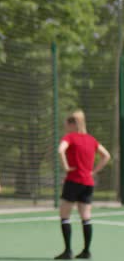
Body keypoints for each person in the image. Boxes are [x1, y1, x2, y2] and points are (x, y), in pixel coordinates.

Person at [54, 110, 111, 260]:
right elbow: (106, 155)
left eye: (66, 124)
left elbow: (60, 150)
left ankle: (68, 251)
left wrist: (66, 166)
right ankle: (86, 251)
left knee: (64, 215)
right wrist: (94, 171)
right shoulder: (91, 139)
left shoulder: (70, 137)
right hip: (88, 182)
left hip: (73, 180)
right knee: (86, 216)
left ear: (72, 124)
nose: (65, 127)